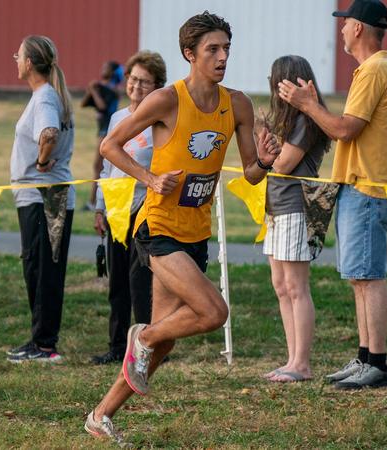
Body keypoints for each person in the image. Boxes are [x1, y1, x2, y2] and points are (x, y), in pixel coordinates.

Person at [84, 12, 281, 444]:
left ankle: (100, 414)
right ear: (190, 54)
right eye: (213, 49)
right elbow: (109, 146)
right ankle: (144, 334)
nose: (223, 56)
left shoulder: (238, 104)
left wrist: (265, 160)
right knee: (213, 312)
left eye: (227, 48)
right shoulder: (167, 100)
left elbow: (250, 173)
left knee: (163, 346)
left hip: (197, 231)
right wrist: (150, 177)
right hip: (158, 228)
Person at [279, 0, 387, 390]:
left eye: (345, 22)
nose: (341, 28)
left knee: (368, 277)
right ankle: (365, 356)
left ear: (360, 28)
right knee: (358, 278)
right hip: (357, 185)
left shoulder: (374, 71)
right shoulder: (374, 69)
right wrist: (312, 105)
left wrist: (307, 105)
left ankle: (378, 364)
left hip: (367, 186)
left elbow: (344, 129)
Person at [90, 51, 167, 365]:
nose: (136, 86)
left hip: (144, 209)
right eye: (133, 79)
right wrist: (99, 207)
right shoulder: (117, 118)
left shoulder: (160, 124)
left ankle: (149, 348)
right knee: (117, 281)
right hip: (116, 209)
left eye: (144, 82)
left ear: (156, 87)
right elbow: (108, 167)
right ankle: (117, 347)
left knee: (141, 283)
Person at [260, 55, 330, 383]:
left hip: (295, 207)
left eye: (281, 82)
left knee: (296, 286)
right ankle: (291, 359)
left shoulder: (306, 120)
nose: (276, 90)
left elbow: (283, 163)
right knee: (280, 286)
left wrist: (268, 155)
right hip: (275, 208)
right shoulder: (285, 121)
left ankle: (302, 363)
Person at [6, 35, 75, 363]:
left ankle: (45, 345)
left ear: (30, 63)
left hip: (43, 198)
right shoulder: (49, 94)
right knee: (39, 268)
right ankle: (40, 339)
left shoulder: (45, 97)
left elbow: (48, 134)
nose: (15, 59)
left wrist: (43, 162)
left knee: (43, 270)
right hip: (44, 198)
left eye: (18, 55)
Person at [82, 61, 121, 211]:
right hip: (101, 130)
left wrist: (94, 90)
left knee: (99, 167)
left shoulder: (111, 90)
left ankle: (94, 202)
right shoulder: (100, 88)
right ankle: (95, 202)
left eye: (106, 67)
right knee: (99, 167)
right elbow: (84, 104)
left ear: (112, 72)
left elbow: (102, 107)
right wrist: (91, 90)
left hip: (107, 131)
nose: (102, 69)